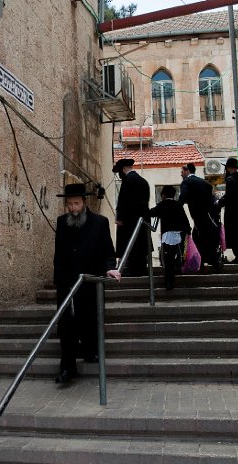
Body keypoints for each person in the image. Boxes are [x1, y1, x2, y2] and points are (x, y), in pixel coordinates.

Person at [53, 183, 121, 386]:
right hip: (67, 282)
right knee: (65, 325)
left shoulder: (99, 222)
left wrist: (110, 267)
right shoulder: (62, 222)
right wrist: (58, 279)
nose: (73, 208)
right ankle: (67, 368)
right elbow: (59, 253)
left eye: (76, 203)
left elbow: (108, 251)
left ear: (84, 202)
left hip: (90, 280)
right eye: (70, 204)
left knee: (89, 318)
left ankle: (90, 351)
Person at [178, 163, 220, 270]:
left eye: (182, 172)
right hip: (208, 215)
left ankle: (206, 261)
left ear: (187, 171)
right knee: (204, 237)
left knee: (199, 237)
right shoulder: (204, 183)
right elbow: (212, 198)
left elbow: (182, 198)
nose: (181, 174)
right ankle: (211, 261)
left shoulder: (186, 182)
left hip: (197, 215)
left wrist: (176, 208)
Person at [113, 158, 151, 277]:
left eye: (120, 171)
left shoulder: (128, 180)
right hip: (142, 219)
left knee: (131, 244)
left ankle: (134, 270)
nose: (119, 174)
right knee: (140, 244)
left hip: (129, 221)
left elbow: (124, 201)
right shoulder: (143, 181)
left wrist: (119, 217)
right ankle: (141, 269)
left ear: (124, 169)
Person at [149, 185, 191, 290]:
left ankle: (169, 281)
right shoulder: (178, 205)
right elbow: (185, 220)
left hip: (167, 235)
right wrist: (188, 231)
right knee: (177, 255)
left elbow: (151, 213)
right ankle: (177, 270)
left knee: (168, 258)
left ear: (163, 194)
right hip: (179, 234)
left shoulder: (162, 205)